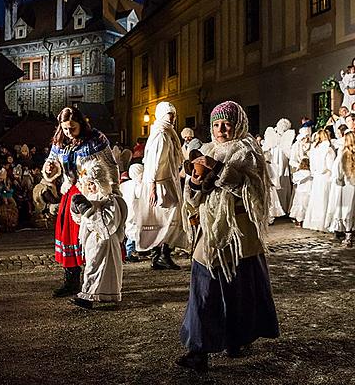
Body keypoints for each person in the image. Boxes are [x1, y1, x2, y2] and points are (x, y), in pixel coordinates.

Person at [178, 101, 279, 373]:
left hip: (239, 235)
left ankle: (236, 339)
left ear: (238, 124)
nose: (221, 129)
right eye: (216, 124)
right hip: (211, 232)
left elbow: (253, 190)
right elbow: (195, 196)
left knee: (239, 292)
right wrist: (195, 183)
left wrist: (218, 169)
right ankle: (198, 350)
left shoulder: (248, 151)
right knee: (204, 290)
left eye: (226, 124)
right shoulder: (207, 148)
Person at [44, 107, 119, 298]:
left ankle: (95, 281)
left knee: (92, 237)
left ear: (81, 124)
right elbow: (51, 166)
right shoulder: (60, 142)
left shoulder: (96, 139)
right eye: (65, 128)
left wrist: (113, 190)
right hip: (70, 192)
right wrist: (50, 168)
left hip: (91, 193)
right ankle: (71, 280)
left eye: (72, 128)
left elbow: (111, 165)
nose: (69, 132)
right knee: (68, 235)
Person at [134, 101, 188, 270]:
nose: (171, 120)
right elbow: (154, 163)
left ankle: (160, 254)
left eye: (173, 116)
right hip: (161, 184)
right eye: (168, 116)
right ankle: (162, 255)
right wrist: (152, 187)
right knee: (169, 218)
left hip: (166, 181)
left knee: (168, 218)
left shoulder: (167, 133)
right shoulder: (162, 135)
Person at [69, 157, 127, 309]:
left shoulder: (109, 199)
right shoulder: (89, 197)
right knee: (94, 265)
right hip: (92, 240)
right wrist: (77, 210)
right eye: (87, 184)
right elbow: (81, 221)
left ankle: (88, 296)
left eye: (93, 184)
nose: (90, 187)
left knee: (97, 267)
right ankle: (104, 294)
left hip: (104, 241)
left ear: (100, 183)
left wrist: (88, 211)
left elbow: (108, 223)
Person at [303, 129, 336, 232]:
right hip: (325, 176)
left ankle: (315, 222)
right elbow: (330, 165)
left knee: (316, 200)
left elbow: (312, 165)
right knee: (325, 199)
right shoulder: (328, 149)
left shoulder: (314, 149)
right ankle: (325, 223)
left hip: (317, 176)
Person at [328, 131, 355, 246]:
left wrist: (339, 181)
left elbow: (338, 171)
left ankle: (348, 236)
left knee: (347, 210)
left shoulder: (343, 153)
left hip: (347, 185)